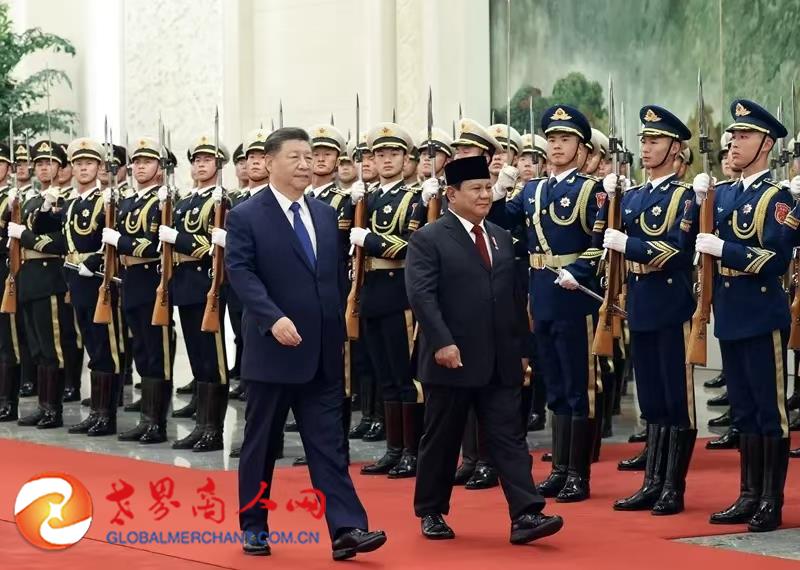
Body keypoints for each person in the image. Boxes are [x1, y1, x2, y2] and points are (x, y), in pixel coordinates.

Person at [227, 127, 386, 560]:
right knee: (262, 444)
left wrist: (337, 326)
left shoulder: (323, 213)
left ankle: (347, 529)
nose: (305, 164)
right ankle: (254, 525)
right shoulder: (246, 215)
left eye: (308, 156)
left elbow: (331, 278)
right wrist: (272, 318)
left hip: (321, 351)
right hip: (273, 351)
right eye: (295, 157)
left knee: (329, 445)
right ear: (270, 162)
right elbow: (241, 273)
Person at [407, 155, 563, 544]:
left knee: (509, 437)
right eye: (475, 189)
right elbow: (422, 296)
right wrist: (442, 342)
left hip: (500, 357)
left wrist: (522, 348)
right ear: (451, 194)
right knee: (442, 439)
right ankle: (431, 511)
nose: (484, 195)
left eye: (488, 187)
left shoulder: (499, 236)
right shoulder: (429, 238)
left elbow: (514, 297)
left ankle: (526, 514)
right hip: (452, 358)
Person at [686, 99, 792, 532]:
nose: (733, 142)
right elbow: (693, 239)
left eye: (744, 135)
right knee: (743, 409)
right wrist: (696, 203)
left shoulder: (778, 198)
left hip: (761, 313)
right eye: (733, 135)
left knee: (769, 410)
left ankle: (771, 500)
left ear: (766, 144)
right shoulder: (724, 193)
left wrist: (725, 250)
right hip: (730, 312)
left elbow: (776, 257)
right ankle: (748, 494)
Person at [490, 105, 603, 503]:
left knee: (578, 385)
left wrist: (580, 272)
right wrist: (499, 190)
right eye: (552, 140)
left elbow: (600, 244)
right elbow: (501, 223)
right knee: (553, 382)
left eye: (565, 140)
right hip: (541, 293)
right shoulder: (533, 190)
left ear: (581, 148)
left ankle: (578, 474)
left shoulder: (591, 190)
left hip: (573, 295)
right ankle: (559, 469)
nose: (556, 146)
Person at [602, 106, 697, 515]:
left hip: (671, 302)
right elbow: (603, 235)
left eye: (654, 140)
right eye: (643, 140)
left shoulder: (686, 197)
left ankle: (673, 487)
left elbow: (678, 251)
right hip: (640, 301)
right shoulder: (634, 196)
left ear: (675, 148)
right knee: (652, 399)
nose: (646, 147)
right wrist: (608, 198)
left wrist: (631, 246)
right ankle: (652, 482)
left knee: (676, 398)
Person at [349, 123, 424, 479]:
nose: (387, 160)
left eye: (394, 154)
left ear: (406, 159)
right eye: (380, 155)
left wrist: (371, 241)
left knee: (405, 375)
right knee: (384, 376)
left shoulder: (415, 198)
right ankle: (394, 450)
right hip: (371, 294)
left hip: (399, 294)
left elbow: (412, 246)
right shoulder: (367, 198)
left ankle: (412, 451)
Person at [103, 137, 174, 444]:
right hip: (131, 280)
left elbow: (154, 245)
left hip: (152, 281)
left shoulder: (163, 200)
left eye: (148, 161)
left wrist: (120, 242)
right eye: (137, 162)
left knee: (157, 352)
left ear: (160, 168)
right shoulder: (129, 201)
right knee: (142, 352)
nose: (140, 167)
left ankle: (157, 423)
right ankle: (146, 419)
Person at [10, 140, 78, 429]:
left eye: (49, 163)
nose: (43, 168)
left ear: (61, 168)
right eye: (38, 163)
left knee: (53, 348)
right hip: (28, 278)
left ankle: (53, 409)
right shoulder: (32, 200)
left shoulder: (66, 200)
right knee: (37, 348)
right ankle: (43, 406)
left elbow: (60, 243)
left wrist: (25, 235)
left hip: (50, 279)